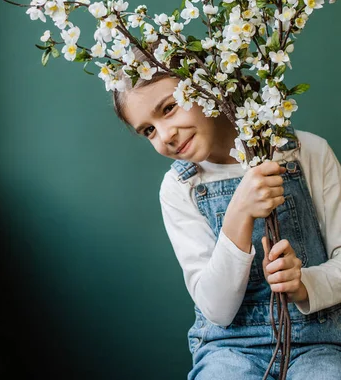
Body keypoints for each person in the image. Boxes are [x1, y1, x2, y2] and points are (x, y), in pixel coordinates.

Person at [112, 55, 341, 379]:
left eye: (168, 108)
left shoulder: (308, 153)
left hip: (319, 342)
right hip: (230, 347)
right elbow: (217, 310)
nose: (165, 136)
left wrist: (304, 284)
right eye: (149, 130)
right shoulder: (180, 188)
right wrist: (238, 211)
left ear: (205, 84)